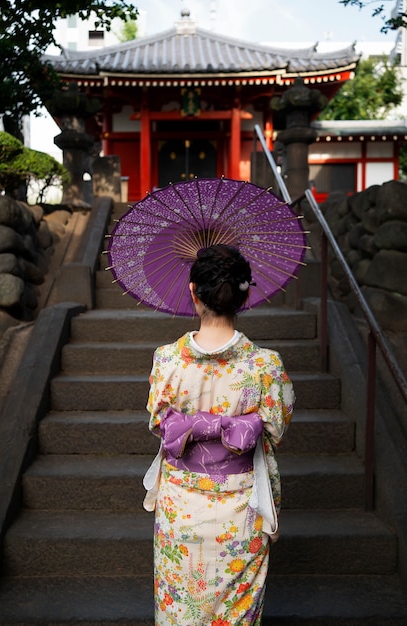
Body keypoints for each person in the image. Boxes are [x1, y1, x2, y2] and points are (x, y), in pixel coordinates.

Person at [143, 244, 295, 626]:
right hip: (239, 512)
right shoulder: (266, 365)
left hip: (181, 508)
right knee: (237, 616)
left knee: (180, 612)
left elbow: (158, 424)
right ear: (245, 295)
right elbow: (276, 429)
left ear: (192, 291)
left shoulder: (167, 359)